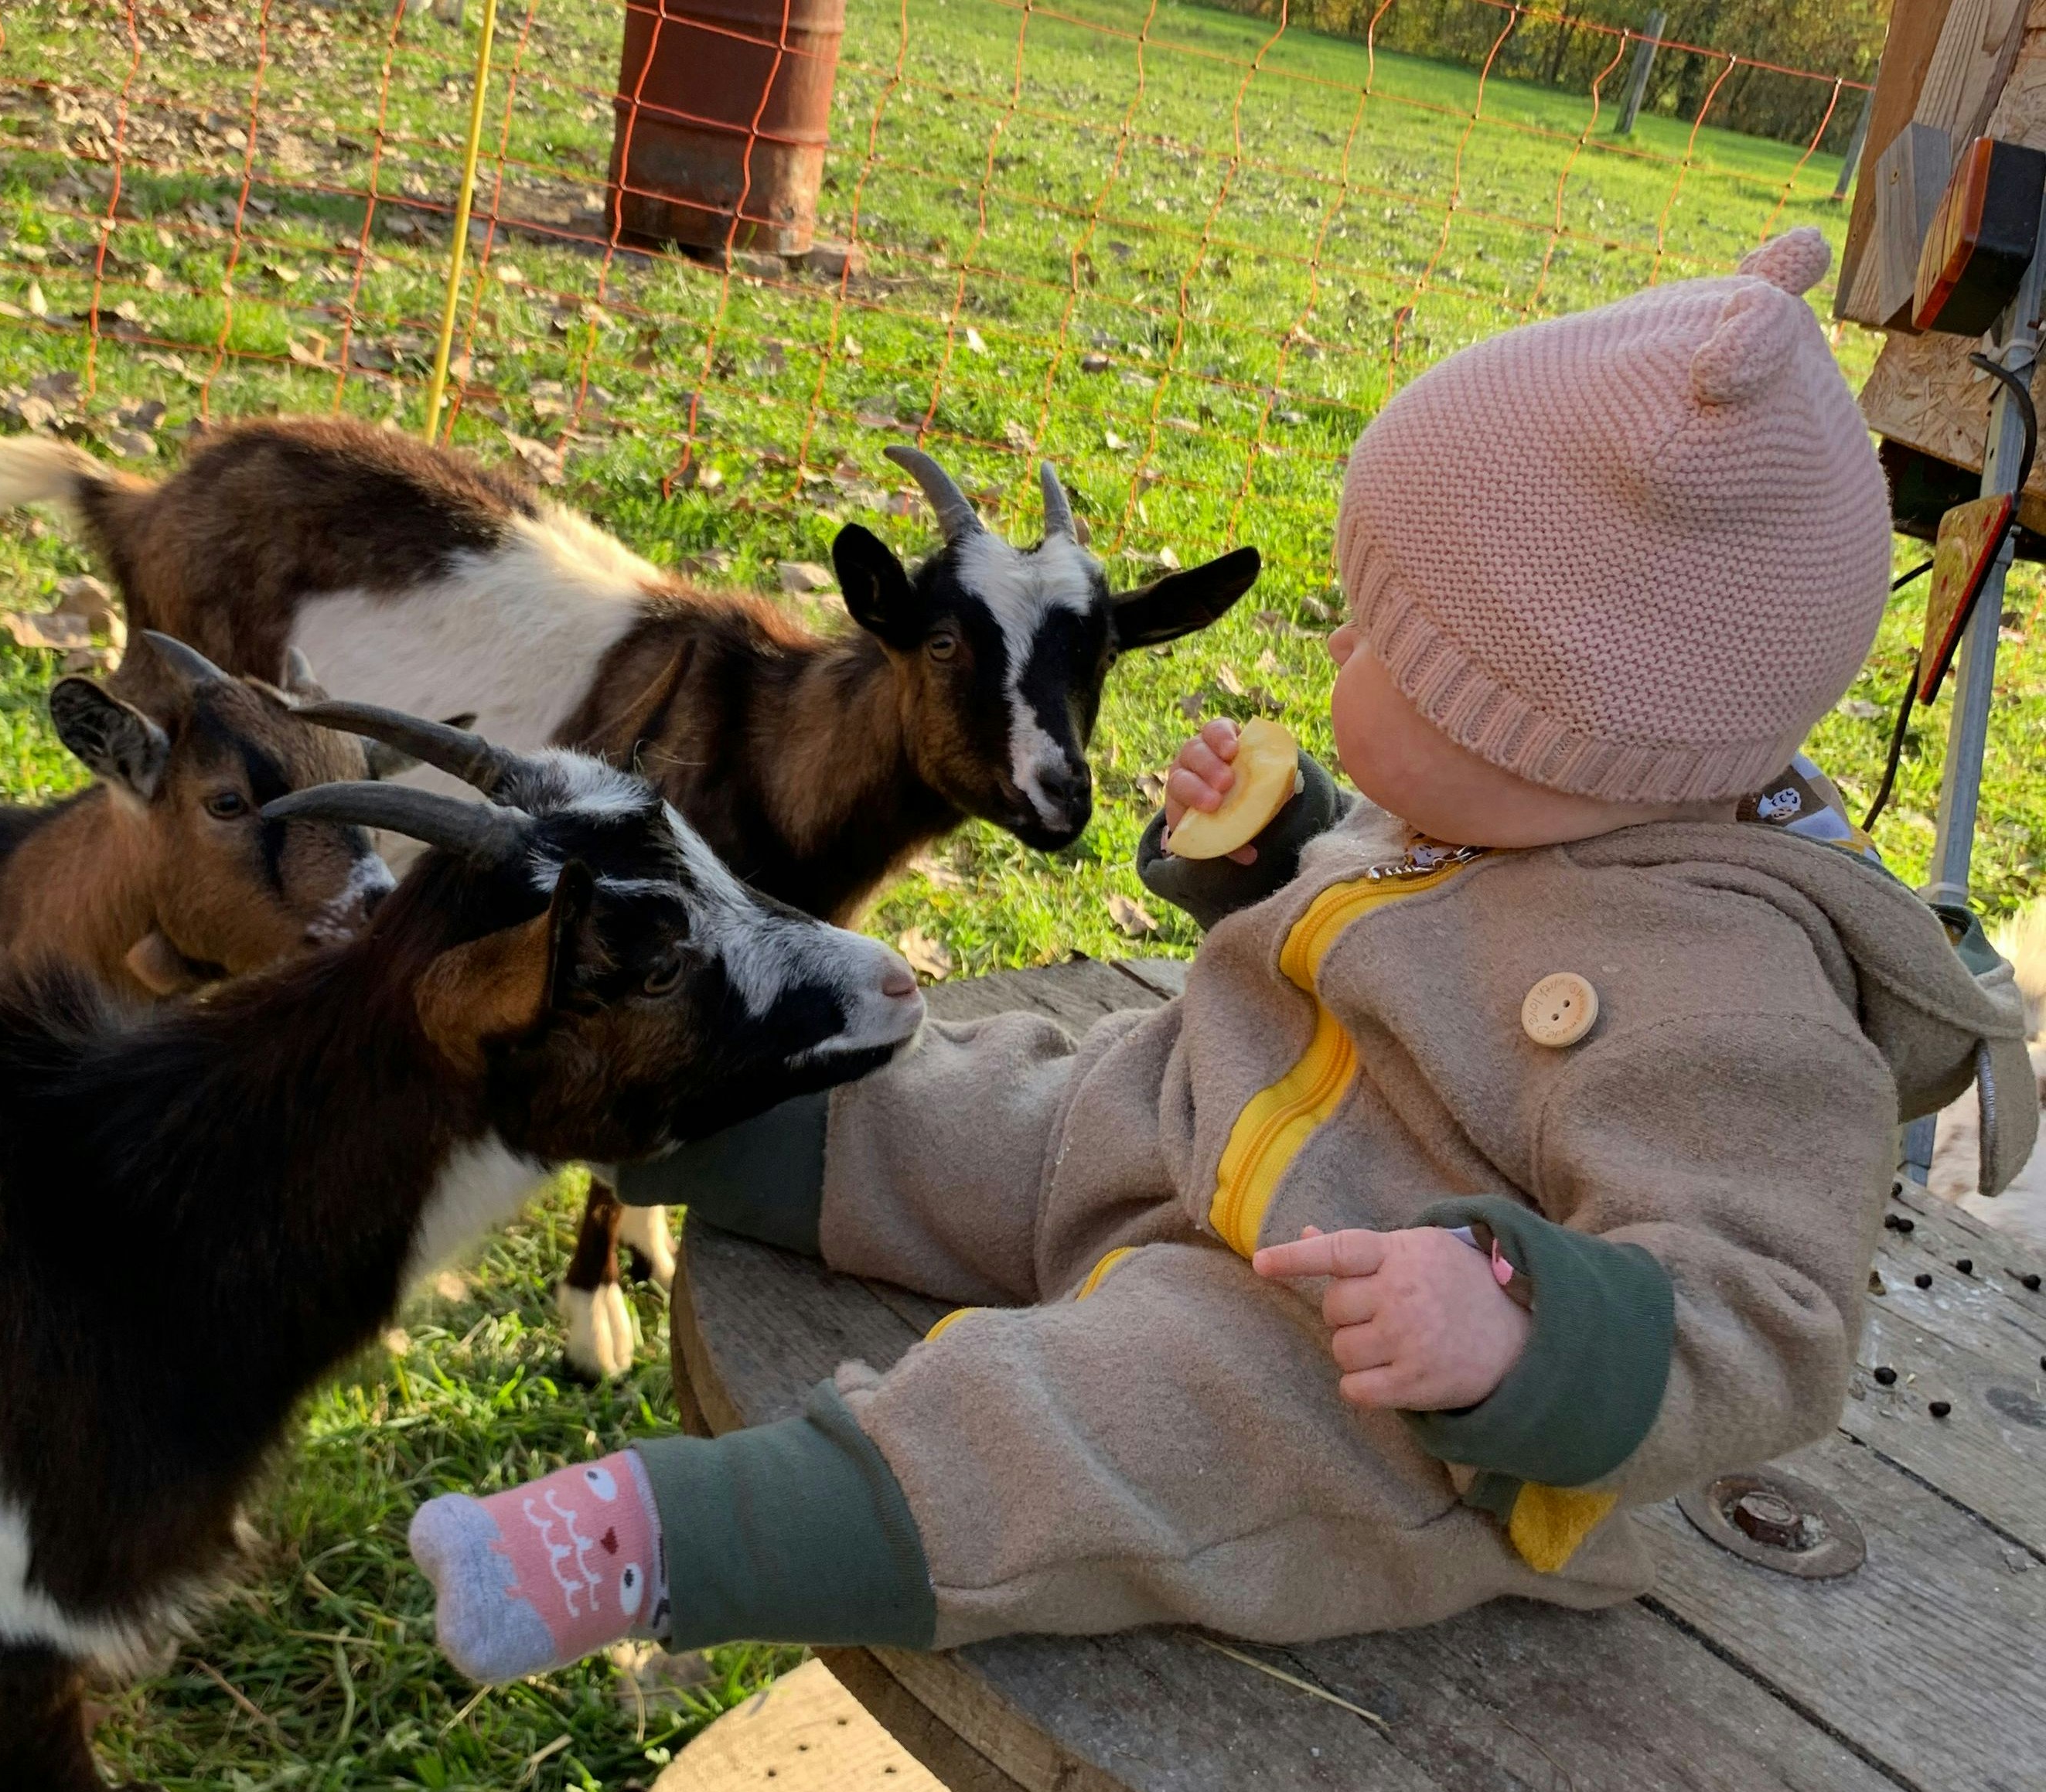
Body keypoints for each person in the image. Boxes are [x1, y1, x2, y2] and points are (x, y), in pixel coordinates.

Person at [406, 229, 2034, 1687]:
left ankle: (658, 1542)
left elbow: (1771, 1310)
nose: (1339, 646)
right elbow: (1394, 926)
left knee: (1089, 1423)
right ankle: (652, 1106)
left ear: (1541, 730)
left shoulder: (1740, 993)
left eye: (1385, 641)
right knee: (940, 1106)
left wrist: (1528, 1331)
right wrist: (1272, 850)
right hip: (1170, 1121)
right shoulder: (1518, 801)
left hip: (1337, 1369)